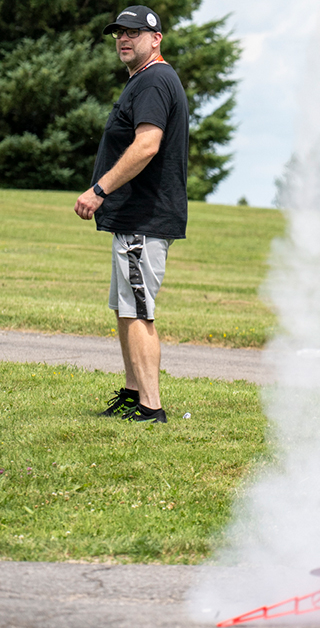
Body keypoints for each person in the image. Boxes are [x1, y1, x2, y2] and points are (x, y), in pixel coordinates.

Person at [73, 6, 190, 424]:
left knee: (139, 311)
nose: (124, 39)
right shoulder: (144, 80)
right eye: (119, 33)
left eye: (134, 32)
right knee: (126, 307)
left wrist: (99, 189)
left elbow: (147, 145)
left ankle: (151, 407)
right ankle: (133, 392)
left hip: (144, 217)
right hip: (132, 221)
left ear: (155, 38)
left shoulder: (156, 80)